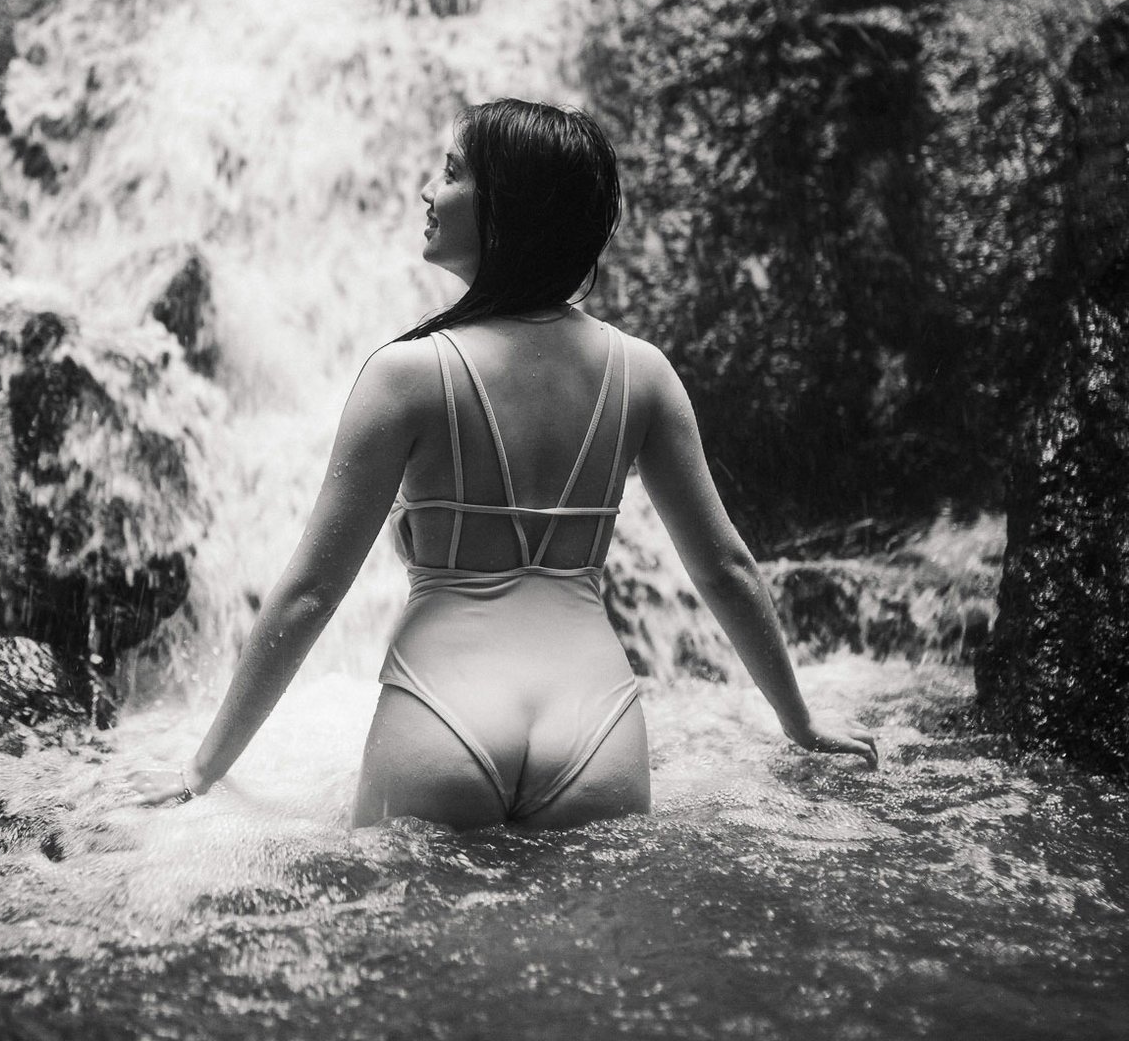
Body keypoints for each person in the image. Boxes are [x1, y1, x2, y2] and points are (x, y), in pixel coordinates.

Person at [150, 99, 877, 828]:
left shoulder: (407, 375)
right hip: (599, 729)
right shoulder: (643, 373)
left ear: (506, 206)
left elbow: (311, 592)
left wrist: (203, 769)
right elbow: (724, 565)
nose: (427, 192)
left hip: (441, 715)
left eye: (451, 173)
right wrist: (799, 722)